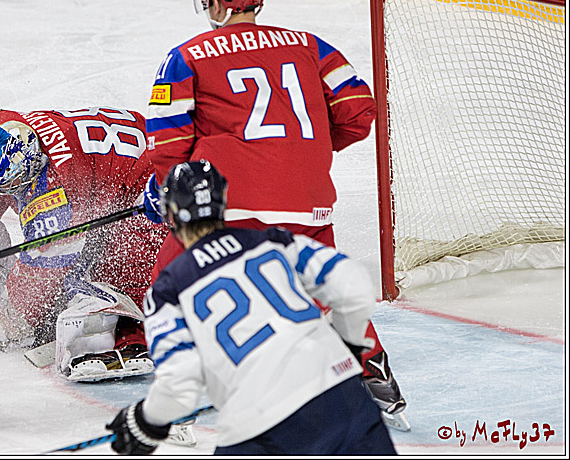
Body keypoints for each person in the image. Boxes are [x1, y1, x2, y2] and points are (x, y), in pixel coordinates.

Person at [140, 0, 407, 429]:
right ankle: (373, 374)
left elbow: (169, 139)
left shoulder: (187, 56)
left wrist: (166, 190)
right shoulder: (311, 45)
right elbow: (359, 111)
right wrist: (304, 153)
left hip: (227, 200)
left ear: (220, 0)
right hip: (308, 196)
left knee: (171, 289)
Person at [106, 161, 397, 455]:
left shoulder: (167, 289)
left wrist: (144, 422)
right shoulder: (272, 241)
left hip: (259, 426)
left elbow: (178, 389)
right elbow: (352, 282)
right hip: (343, 399)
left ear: (170, 214)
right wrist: (347, 342)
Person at [0, 107, 167, 382]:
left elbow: (44, 268)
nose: (18, 187)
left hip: (154, 178)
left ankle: (131, 329)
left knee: (121, 265)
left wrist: (7, 319)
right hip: (134, 144)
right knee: (77, 244)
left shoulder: (53, 187)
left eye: (22, 180)